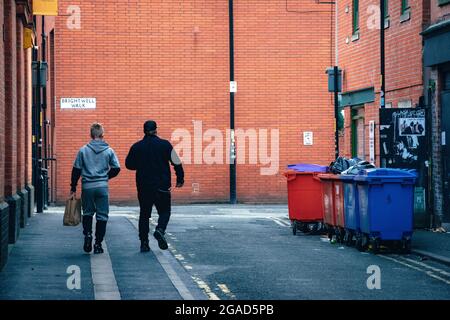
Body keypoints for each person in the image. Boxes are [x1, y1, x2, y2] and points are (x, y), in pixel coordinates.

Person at [125, 120, 184, 252]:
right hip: (162, 186)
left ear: (144, 130)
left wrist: (140, 164)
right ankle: (160, 229)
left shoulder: (137, 147)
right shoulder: (165, 145)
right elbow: (176, 162)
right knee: (165, 211)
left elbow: (129, 165)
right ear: (156, 130)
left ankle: (144, 243)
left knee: (144, 215)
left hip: (144, 186)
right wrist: (180, 178)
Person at [70, 123, 121, 254]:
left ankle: (87, 235)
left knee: (87, 213)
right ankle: (98, 244)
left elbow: (76, 170)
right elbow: (116, 168)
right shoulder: (109, 150)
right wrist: (105, 177)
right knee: (102, 216)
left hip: (87, 186)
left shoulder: (83, 150)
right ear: (102, 135)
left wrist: (73, 186)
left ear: (91, 135)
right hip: (102, 186)